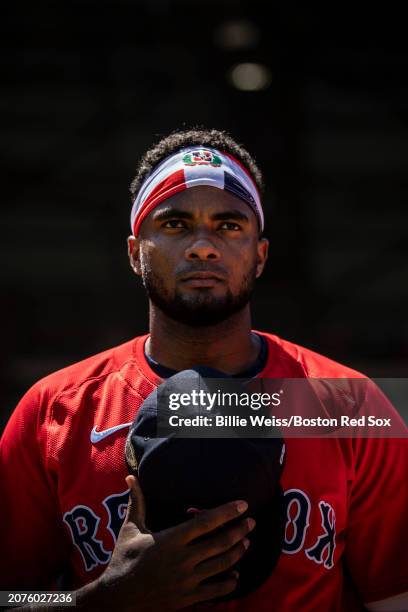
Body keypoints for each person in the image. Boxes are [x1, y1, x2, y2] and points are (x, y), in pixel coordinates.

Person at [1, 129, 407, 612]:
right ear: (135, 252)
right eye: (175, 224)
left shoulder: (350, 405)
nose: (203, 247)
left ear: (260, 256)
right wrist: (103, 600)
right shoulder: (55, 410)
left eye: (229, 225)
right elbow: (10, 597)